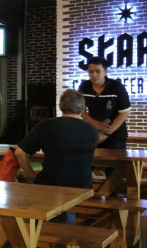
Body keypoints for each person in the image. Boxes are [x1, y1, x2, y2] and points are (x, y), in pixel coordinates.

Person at [14, 89, 100, 224]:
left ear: (60, 106)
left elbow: (19, 152)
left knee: (19, 183)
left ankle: (28, 226)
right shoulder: (93, 131)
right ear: (83, 109)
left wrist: (30, 173)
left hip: (51, 183)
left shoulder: (46, 126)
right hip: (83, 186)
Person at [77, 56, 131, 149]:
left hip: (115, 132)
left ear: (105, 72)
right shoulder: (84, 86)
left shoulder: (116, 86)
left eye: (98, 71)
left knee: (114, 157)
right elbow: (81, 109)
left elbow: (124, 112)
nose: (94, 74)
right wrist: (95, 124)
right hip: (94, 130)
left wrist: (108, 132)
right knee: (93, 157)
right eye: (91, 71)